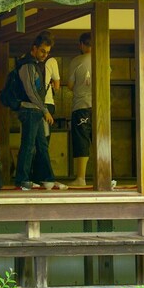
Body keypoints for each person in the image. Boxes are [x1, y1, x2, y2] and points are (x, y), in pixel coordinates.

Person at [15, 31, 67, 191]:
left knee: (42, 145)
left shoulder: (36, 64)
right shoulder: (27, 64)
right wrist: (45, 110)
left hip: (36, 110)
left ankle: (47, 178)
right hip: (29, 109)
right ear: (35, 48)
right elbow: (31, 92)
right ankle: (22, 179)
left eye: (47, 52)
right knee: (29, 145)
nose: (45, 55)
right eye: (43, 51)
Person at [63, 32, 92, 186]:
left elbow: (70, 85)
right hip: (101, 107)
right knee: (101, 140)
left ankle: (81, 178)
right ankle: (106, 176)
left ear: (81, 44)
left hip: (81, 106)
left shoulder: (77, 60)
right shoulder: (103, 59)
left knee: (82, 141)